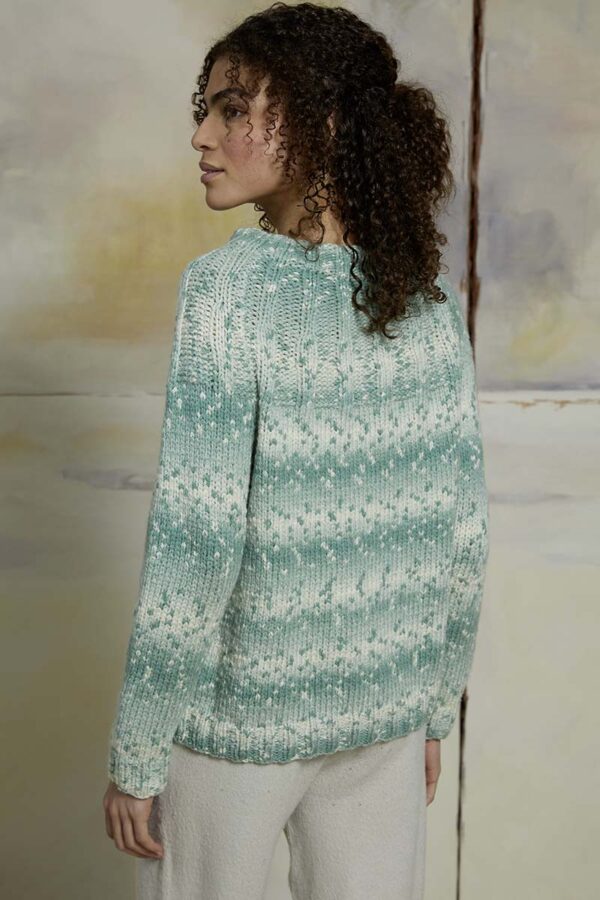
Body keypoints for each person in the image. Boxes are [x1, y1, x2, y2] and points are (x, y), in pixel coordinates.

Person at [102, 3, 490, 898]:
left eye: (234, 109)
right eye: (208, 107)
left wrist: (139, 747)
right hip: (385, 716)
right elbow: (462, 535)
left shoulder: (228, 292)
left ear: (323, 124)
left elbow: (199, 536)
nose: (202, 134)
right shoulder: (427, 303)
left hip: (235, 727)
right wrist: (433, 710)